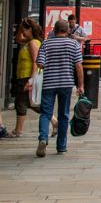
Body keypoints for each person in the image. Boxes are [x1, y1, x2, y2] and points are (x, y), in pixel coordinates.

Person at [32, 20, 82, 157]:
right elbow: (78, 66)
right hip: (66, 84)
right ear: (68, 31)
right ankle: (61, 146)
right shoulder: (74, 44)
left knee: (46, 113)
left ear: (54, 30)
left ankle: (43, 138)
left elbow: (40, 64)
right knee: (63, 114)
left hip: (49, 84)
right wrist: (81, 86)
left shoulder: (46, 43)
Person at [12, 18, 43, 138]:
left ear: (30, 29)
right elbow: (18, 39)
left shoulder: (32, 43)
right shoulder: (30, 41)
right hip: (24, 76)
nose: (23, 32)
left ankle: (18, 131)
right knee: (32, 104)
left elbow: (36, 62)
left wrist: (31, 80)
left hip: (26, 77)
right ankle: (55, 122)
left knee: (21, 103)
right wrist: (21, 27)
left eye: (25, 29)